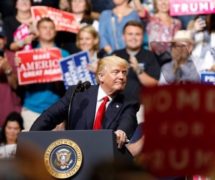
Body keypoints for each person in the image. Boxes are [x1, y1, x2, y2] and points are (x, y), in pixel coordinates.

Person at [30, 55, 139, 148]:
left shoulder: (128, 101)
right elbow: (49, 116)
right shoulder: (78, 94)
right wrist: (30, 139)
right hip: (75, 153)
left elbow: (128, 120)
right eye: (116, 72)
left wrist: (121, 132)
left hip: (106, 159)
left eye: (124, 73)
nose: (121, 77)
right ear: (101, 76)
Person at [20, 17, 69, 131]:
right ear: (38, 31)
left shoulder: (64, 54)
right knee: (30, 148)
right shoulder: (27, 54)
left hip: (56, 110)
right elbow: (20, 85)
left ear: (55, 31)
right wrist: (21, 67)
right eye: (44, 27)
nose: (48, 30)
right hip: (31, 109)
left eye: (51, 28)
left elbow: (68, 88)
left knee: (55, 148)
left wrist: (58, 80)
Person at [113, 20, 160, 103]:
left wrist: (138, 69)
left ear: (143, 37)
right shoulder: (115, 55)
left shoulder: (151, 56)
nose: (133, 38)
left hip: (143, 106)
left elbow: (153, 85)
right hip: (118, 106)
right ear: (123, 36)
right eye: (130, 34)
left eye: (137, 34)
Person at [0, 27, 21, 127]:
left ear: (5, 40)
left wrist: (8, 70)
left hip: (9, 113)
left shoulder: (13, 57)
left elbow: (15, 86)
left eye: (0, 38)